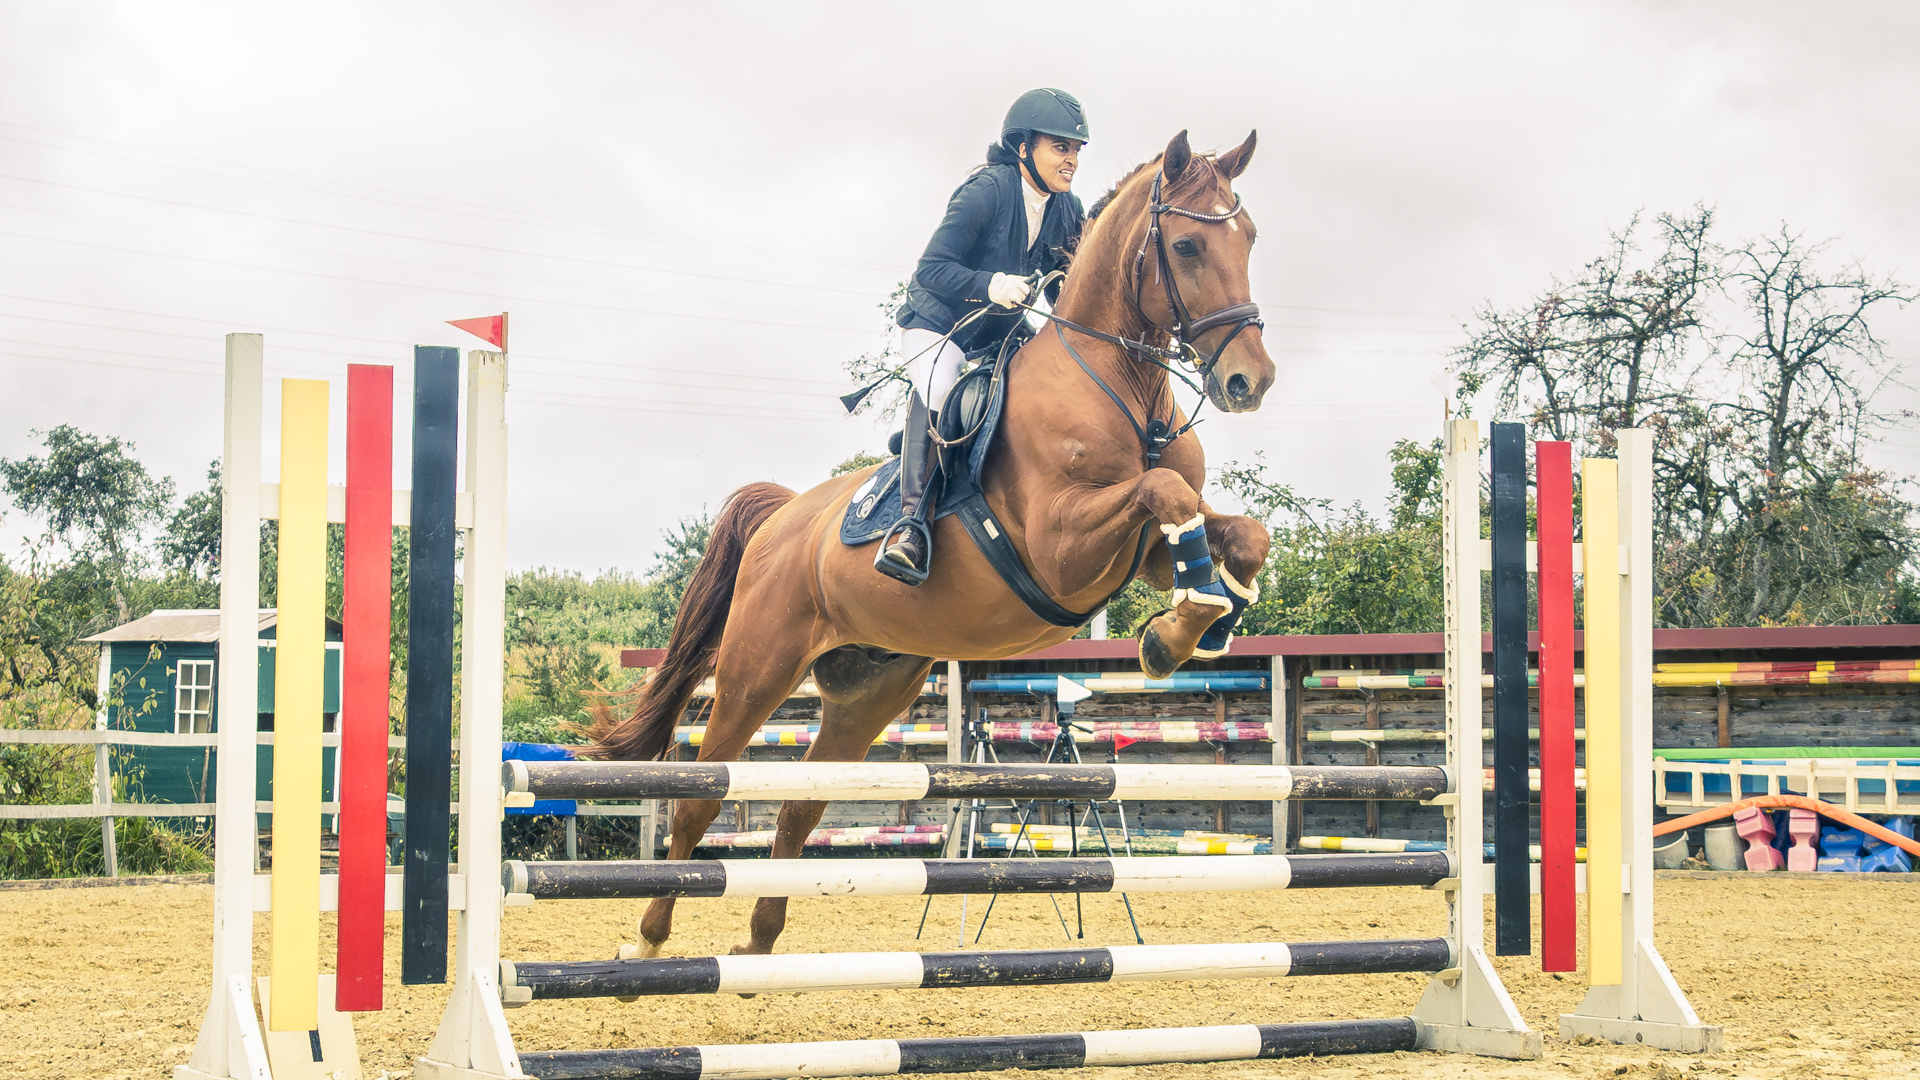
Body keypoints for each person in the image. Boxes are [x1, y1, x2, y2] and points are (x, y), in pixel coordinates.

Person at [876, 88, 1090, 584]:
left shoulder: (1067, 208)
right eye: (1061, 147)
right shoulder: (987, 190)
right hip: (939, 324)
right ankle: (911, 526)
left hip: (1000, 329)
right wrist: (988, 284)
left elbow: (1064, 290)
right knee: (940, 389)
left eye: (1077, 149)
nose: (1072, 159)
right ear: (1023, 148)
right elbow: (931, 269)